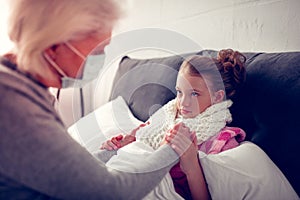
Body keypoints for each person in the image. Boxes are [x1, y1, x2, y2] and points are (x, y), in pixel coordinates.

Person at [0, 0, 193, 199]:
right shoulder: (12, 102)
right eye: (97, 51)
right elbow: (110, 192)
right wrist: (172, 149)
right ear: (53, 46)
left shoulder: (24, 88)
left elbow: (61, 172)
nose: (100, 60)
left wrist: (112, 152)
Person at [101, 49, 247, 199]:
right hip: (130, 175)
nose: (183, 102)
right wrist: (122, 144)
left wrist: (191, 165)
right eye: (179, 92)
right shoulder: (163, 117)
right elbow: (139, 143)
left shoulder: (222, 140)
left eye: (194, 94)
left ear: (217, 97)